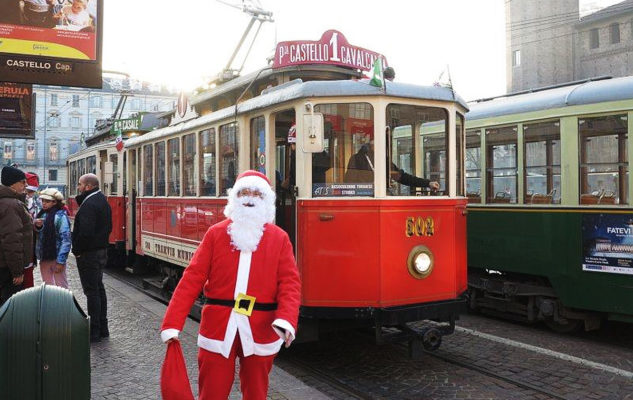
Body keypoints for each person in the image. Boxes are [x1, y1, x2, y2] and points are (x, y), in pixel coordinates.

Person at [160, 170, 301, 400]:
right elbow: (192, 278)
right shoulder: (216, 234)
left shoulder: (279, 238)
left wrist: (286, 319)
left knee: (256, 394)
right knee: (212, 393)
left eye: (257, 193)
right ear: (235, 197)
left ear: (266, 200)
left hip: (261, 327)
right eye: (244, 192)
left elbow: (290, 284)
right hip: (219, 325)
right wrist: (172, 323)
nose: (250, 197)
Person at [72, 173, 112, 343]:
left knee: (92, 291)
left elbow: (86, 232)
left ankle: (94, 331)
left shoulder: (90, 204)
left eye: (80, 185)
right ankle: (103, 328)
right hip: (100, 251)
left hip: (89, 253)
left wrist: (78, 250)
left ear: (88, 186)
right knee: (98, 289)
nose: (79, 188)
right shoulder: (101, 200)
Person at [344, 138, 440, 190]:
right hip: (363, 201)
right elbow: (349, 183)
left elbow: (402, 177)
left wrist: (428, 183)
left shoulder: (383, 160)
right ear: (370, 145)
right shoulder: (356, 159)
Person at [0, 166, 32, 306]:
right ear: (13, 183)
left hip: (5, 265)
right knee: (10, 307)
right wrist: (17, 272)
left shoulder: (8, 202)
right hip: (7, 268)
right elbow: (12, 240)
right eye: (23, 182)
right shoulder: (11, 205)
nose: (25, 185)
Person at [34, 188, 71, 289]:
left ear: (54, 202)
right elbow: (39, 237)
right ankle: (51, 304)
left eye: (47, 201)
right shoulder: (42, 214)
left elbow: (66, 240)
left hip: (56, 256)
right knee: (47, 286)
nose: (44, 203)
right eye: (43, 201)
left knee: (61, 287)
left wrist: (61, 261)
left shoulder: (61, 216)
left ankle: (63, 304)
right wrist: (38, 227)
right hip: (44, 257)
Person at [23, 172, 41, 289]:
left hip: (30, 244)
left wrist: (37, 225)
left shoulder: (33, 202)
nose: (30, 194)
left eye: (32, 192)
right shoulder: (21, 202)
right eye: (29, 191)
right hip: (23, 246)